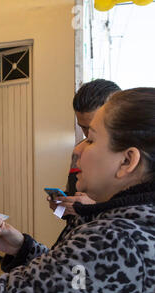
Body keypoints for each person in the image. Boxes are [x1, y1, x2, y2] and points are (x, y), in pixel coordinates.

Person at [0, 88, 155, 293]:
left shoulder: (116, 240)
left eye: (91, 139)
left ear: (127, 160)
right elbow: (75, 283)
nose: (77, 149)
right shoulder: (131, 227)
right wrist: (24, 249)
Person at [48, 79, 121, 216]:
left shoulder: (135, 159)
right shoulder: (80, 151)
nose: (87, 135)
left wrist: (95, 206)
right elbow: (72, 195)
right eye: (83, 127)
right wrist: (62, 207)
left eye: (93, 127)